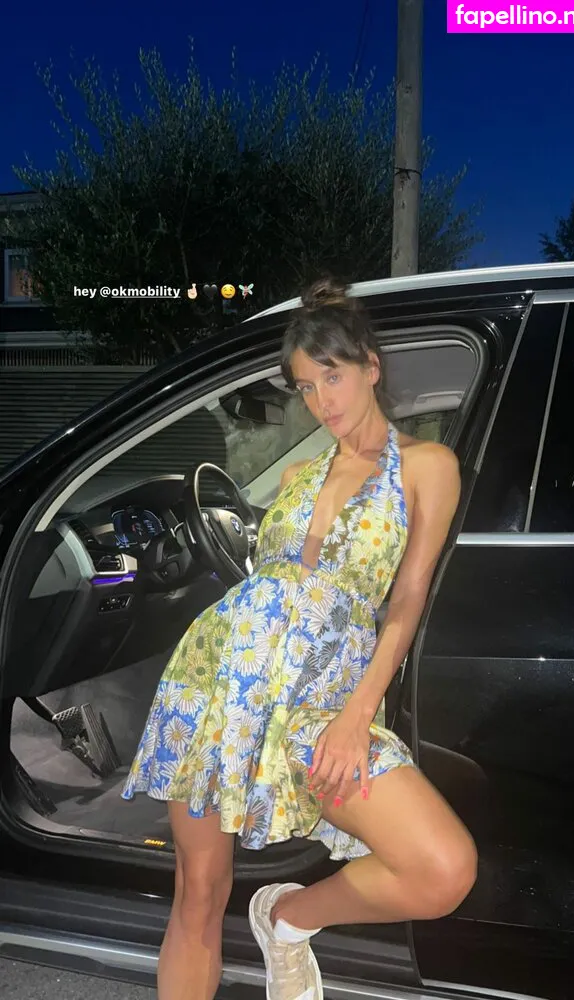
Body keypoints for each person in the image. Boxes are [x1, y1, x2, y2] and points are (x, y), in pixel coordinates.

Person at [122, 276, 478, 1000]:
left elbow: (406, 599)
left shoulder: (425, 467)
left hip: (322, 701)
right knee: (198, 889)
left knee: (441, 869)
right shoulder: (295, 474)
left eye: (333, 376)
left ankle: (287, 917)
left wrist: (357, 715)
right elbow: (269, 584)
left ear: (371, 367)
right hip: (218, 684)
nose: (322, 401)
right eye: (306, 388)